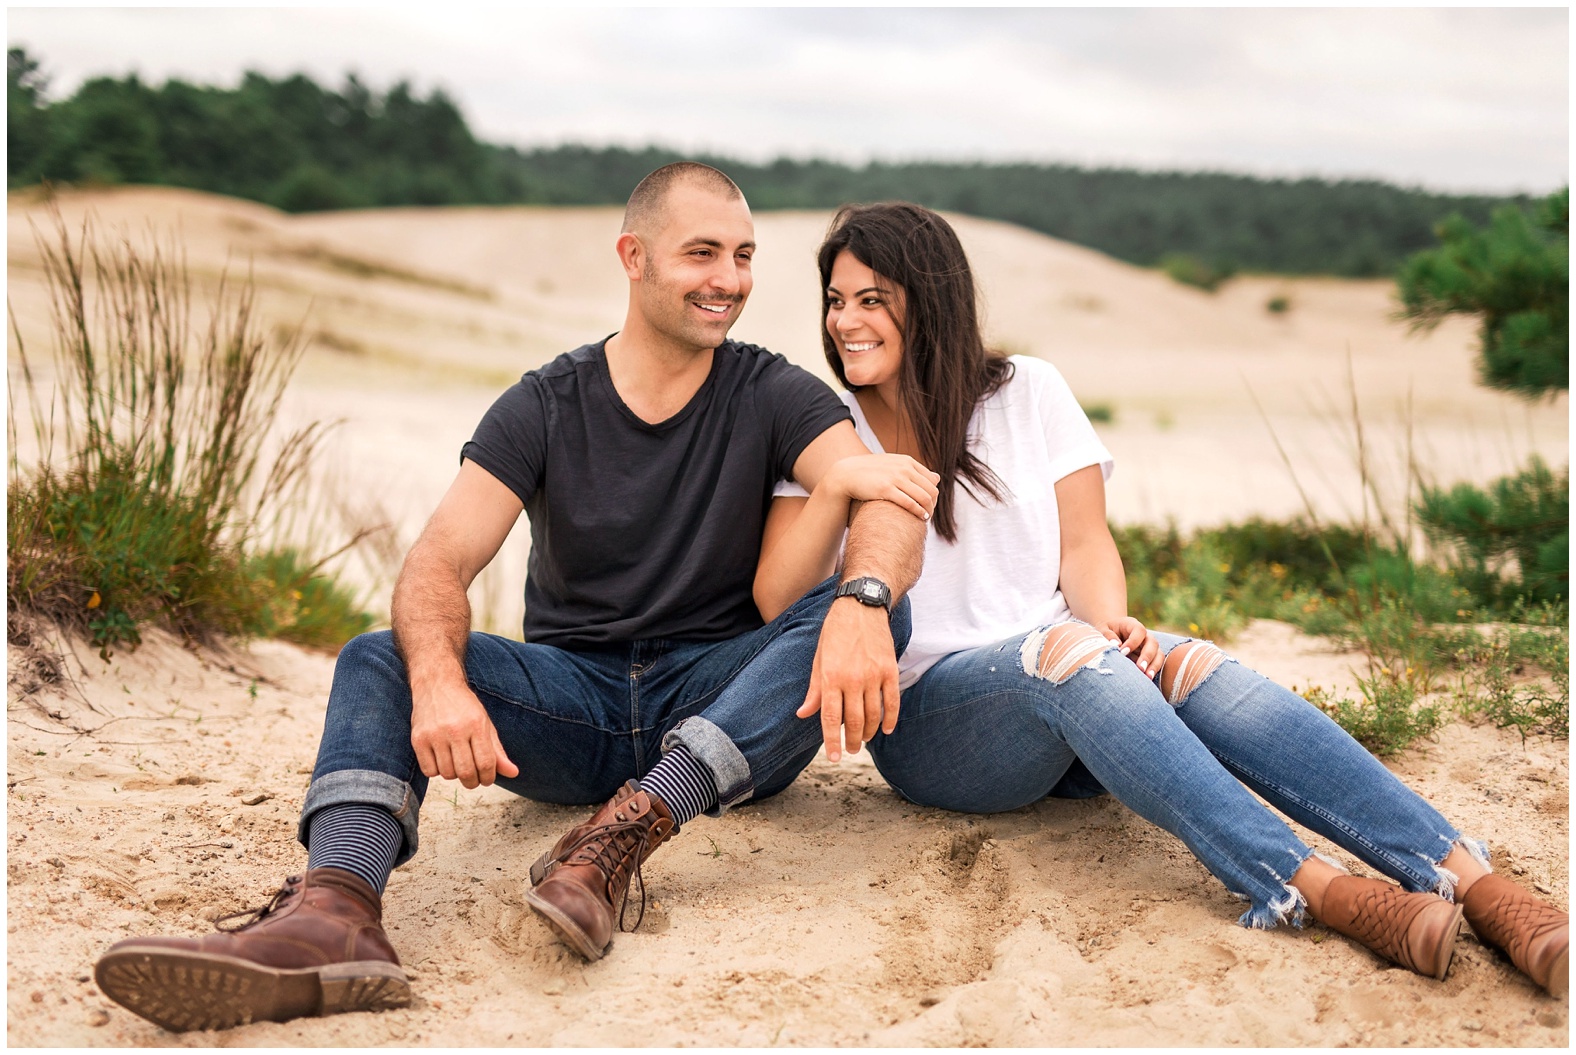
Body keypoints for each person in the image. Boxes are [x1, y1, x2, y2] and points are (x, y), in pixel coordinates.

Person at [92, 164, 936, 1033]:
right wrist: (441, 683)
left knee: (876, 604)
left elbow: (886, 496)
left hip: (722, 697)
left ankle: (632, 828)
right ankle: (334, 912)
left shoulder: (773, 389)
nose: (729, 279)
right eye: (702, 253)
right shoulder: (544, 403)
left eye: (745, 255)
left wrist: (865, 597)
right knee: (381, 655)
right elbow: (434, 565)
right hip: (573, 701)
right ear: (633, 256)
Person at [757, 201, 1569, 998]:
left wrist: (1111, 621)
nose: (844, 321)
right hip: (936, 729)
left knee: (1181, 660)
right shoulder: (828, 435)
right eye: (835, 299)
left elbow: (1084, 544)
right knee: (1069, 655)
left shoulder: (1028, 391)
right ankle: (1315, 887)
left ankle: (1470, 878)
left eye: (872, 299)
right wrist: (837, 485)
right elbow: (775, 598)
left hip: (1075, 695)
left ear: (929, 303)